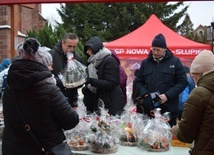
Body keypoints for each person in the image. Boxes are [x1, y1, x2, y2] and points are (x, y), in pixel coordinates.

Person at [2, 38, 79, 155]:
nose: (52, 68)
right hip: (42, 148)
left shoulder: (10, 87)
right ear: (40, 65)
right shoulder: (49, 89)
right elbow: (71, 121)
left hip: (12, 148)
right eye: (49, 65)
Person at [134, 33, 187, 127]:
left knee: (167, 138)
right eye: (153, 49)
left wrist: (167, 95)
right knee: (149, 138)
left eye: (158, 50)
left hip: (169, 109)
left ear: (165, 49)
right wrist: (145, 94)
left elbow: (182, 82)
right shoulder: (146, 63)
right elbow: (138, 81)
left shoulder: (175, 62)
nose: (155, 52)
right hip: (150, 109)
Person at [172, 50, 214, 155]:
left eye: (194, 76)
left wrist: (176, 128)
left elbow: (186, 135)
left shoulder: (199, 93)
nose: (194, 80)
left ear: (201, 74)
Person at [83, 36, 126, 116]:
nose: (88, 52)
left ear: (95, 49)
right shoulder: (92, 62)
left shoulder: (109, 61)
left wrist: (91, 81)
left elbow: (111, 83)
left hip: (112, 102)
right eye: (87, 50)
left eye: (89, 50)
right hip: (100, 101)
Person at [49, 33, 82, 107]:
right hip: (54, 98)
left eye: (74, 47)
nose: (71, 49)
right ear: (63, 43)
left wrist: (79, 81)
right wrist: (65, 81)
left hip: (71, 100)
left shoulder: (77, 58)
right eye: (69, 46)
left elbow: (82, 80)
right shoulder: (50, 55)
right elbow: (46, 78)